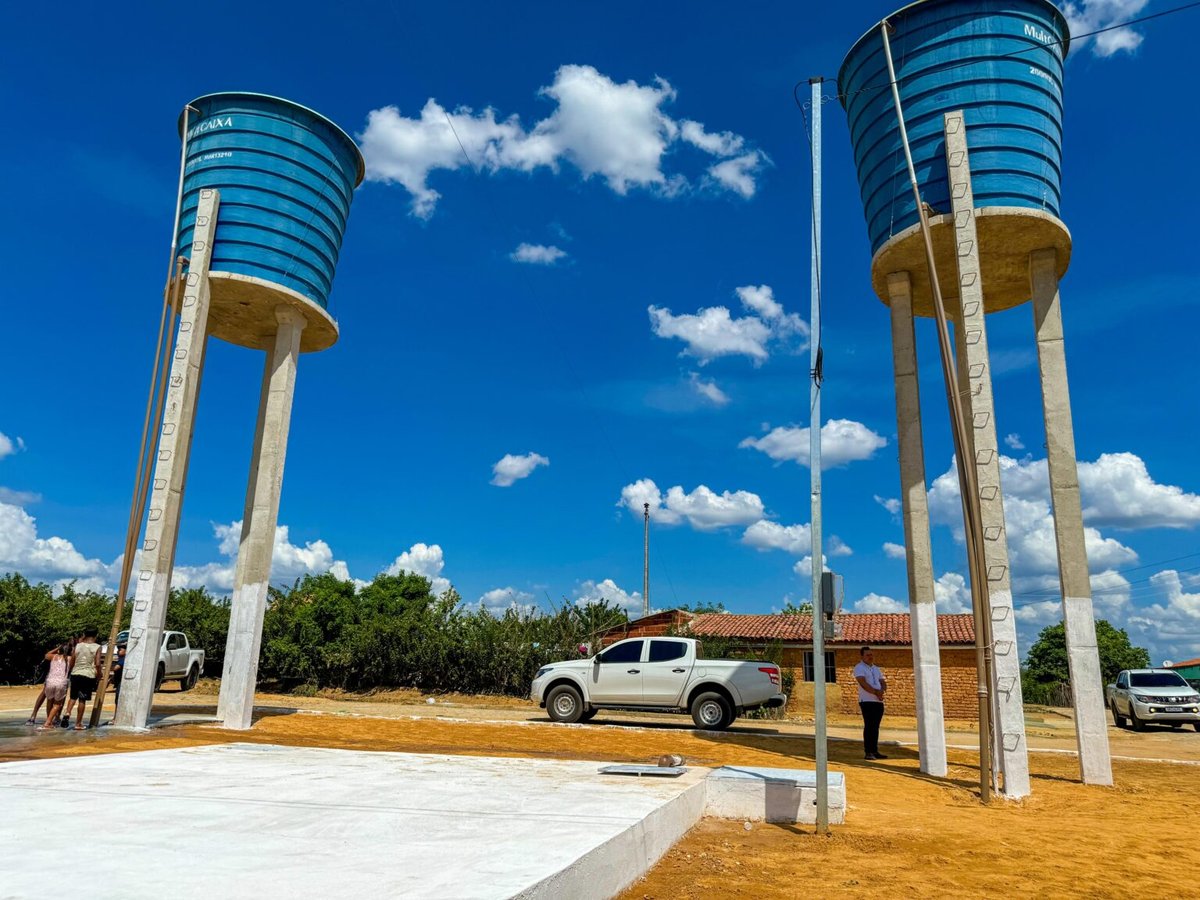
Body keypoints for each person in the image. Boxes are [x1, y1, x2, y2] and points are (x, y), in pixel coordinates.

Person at [63, 628, 102, 731]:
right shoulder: (97, 647)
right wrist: (99, 674)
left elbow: (72, 660)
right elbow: (97, 663)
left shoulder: (78, 645)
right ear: (96, 635)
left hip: (76, 673)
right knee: (82, 699)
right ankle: (78, 723)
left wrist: (70, 671)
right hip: (88, 674)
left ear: (84, 634)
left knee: (73, 697)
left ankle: (67, 712)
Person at [853, 646, 888, 760]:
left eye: (871, 655)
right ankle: (868, 752)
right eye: (867, 655)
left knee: (875, 727)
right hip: (867, 701)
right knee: (869, 726)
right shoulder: (859, 668)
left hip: (878, 701)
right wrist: (876, 692)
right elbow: (863, 683)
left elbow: (882, 682)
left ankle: (875, 750)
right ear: (862, 656)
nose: (870, 657)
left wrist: (882, 690)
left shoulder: (876, 669)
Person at [38, 643, 72, 729]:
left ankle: (49, 721)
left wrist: (57, 648)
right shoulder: (69, 658)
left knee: (49, 701)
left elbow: (46, 654)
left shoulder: (53, 657)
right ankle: (48, 722)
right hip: (61, 682)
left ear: (59, 650)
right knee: (57, 704)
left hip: (50, 681)